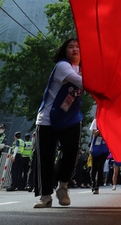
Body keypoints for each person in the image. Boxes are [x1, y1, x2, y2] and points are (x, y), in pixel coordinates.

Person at [34, 37, 84, 208]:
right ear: (65, 50)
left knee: (72, 151)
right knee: (45, 157)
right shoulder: (63, 66)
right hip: (48, 118)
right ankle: (45, 196)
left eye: (78, 47)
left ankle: (63, 186)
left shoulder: (85, 69)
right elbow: (82, 82)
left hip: (71, 117)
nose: (75, 49)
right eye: (71, 46)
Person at [88, 119, 110, 194]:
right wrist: (102, 128)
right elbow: (95, 133)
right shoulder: (95, 121)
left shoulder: (108, 122)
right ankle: (93, 183)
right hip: (96, 148)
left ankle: (97, 186)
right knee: (94, 167)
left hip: (104, 148)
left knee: (101, 166)